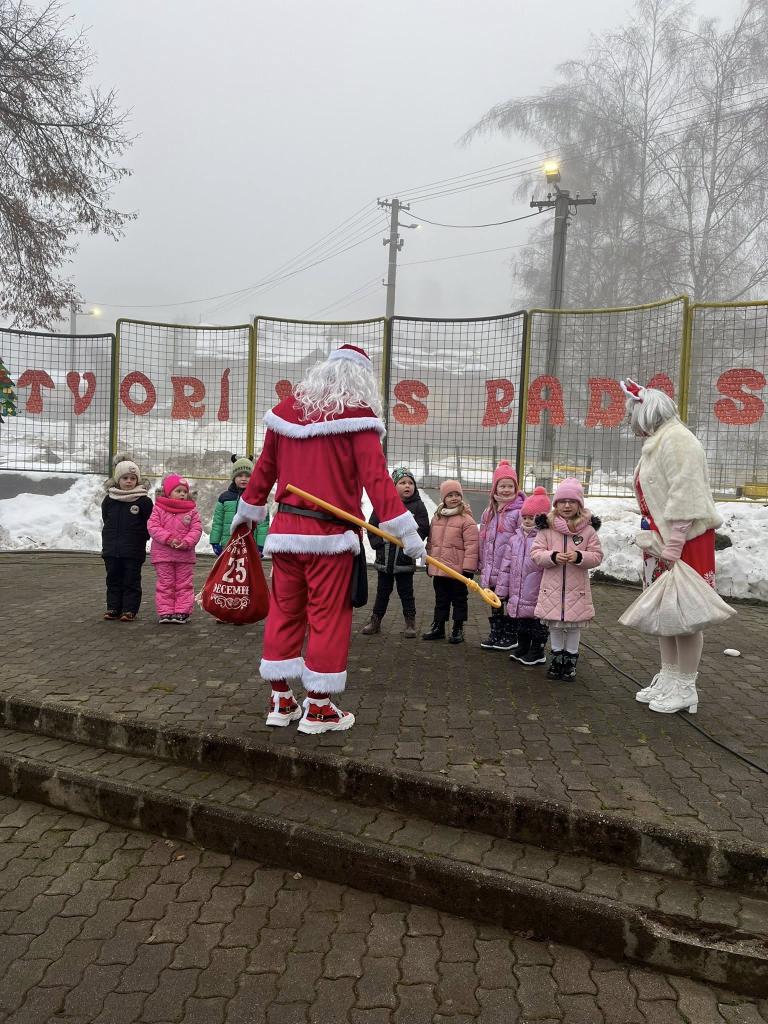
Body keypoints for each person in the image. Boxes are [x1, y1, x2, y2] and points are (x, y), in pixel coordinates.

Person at [230, 344, 426, 735]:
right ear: (361, 379)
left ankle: (281, 701)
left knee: (285, 612)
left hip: (286, 535)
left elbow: (263, 471)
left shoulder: (285, 415)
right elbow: (377, 481)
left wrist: (246, 514)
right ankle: (319, 708)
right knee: (328, 618)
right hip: (330, 539)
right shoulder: (358, 419)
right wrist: (408, 533)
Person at [621, 377, 722, 714]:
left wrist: (674, 544)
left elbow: (686, 494)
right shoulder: (660, 440)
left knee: (686, 613)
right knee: (665, 611)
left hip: (683, 541)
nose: (630, 422)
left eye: (632, 415)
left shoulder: (678, 440)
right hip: (662, 541)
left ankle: (686, 686)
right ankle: (669, 676)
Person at [531, 478, 603, 681]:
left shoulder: (588, 531)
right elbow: (536, 553)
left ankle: (570, 662)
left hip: (576, 589)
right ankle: (556, 659)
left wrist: (579, 556)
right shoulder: (547, 529)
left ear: (579, 505)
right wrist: (552, 556)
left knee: (573, 627)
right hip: (552, 590)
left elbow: (597, 556)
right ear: (556, 504)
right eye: (563, 501)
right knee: (555, 626)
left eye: (572, 501)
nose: (567, 505)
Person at [361, 466, 430, 639]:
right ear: (393, 486)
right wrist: (380, 542)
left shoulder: (418, 506)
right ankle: (376, 621)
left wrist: (411, 543)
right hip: (385, 559)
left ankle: (410, 622)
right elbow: (372, 526)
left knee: (406, 593)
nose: (407, 486)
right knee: (382, 592)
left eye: (410, 483)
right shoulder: (384, 505)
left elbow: (423, 527)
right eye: (402, 482)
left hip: (403, 560)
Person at [498, 486, 551, 666]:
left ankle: (537, 650)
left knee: (537, 623)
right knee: (521, 621)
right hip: (518, 590)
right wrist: (502, 590)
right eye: (525, 517)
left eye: (532, 517)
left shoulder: (545, 539)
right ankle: (523, 646)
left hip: (536, 591)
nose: (527, 521)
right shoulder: (515, 539)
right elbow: (506, 566)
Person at [422, 480, 479, 645]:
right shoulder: (437, 518)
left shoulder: (466, 520)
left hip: (457, 571)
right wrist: (428, 562)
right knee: (441, 598)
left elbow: (472, 546)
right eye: (450, 495)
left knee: (459, 599)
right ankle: (438, 626)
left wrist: (468, 569)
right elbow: (431, 543)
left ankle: (458, 628)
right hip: (440, 568)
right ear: (443, 498)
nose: (454, 498)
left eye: (457, 495)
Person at [478, 461, 525, 651]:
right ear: (495, 488)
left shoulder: (520, 512)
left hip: (510, 567)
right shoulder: (489, 512)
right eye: (502, 486)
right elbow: (483, 540)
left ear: (516, 488)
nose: (506, 490)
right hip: (492, 566)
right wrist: (482, 562)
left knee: (510, 600)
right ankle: (496, 632)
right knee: (494, 600)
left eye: (510, 486)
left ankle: (511, 635)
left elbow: (523, 539)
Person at [101, 455, 153, 621]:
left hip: (133, 550)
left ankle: (129, 610)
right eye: (125, 478)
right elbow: (106, 518)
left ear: (137, 480)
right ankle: (113, 608)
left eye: (133, 478)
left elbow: (149, 523)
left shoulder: (143, 501)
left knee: (131, 580)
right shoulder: (109, 499)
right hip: (111, 549)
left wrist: (141, 538)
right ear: (118, 480)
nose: (129, 481)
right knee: (113, 579)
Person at [147, 474, 203, 624]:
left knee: (184, 584)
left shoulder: (192, 510)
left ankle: (182, 611)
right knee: (165, 584)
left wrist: (186, 542)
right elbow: (153, 526)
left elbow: (196, 529)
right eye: (178, 491)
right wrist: (168, 539)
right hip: (163, 556)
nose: (182, 494)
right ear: (168, 492)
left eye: (184, 491)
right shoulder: (158, 508)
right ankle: (165, 612)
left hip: (184, 556)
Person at [210, 455, 270, 559]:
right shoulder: (225, 498)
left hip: (250, 546)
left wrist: (261, 545)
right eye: (239, 476)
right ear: (234, 478)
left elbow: (263, 524)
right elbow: (218, 522)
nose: (243, 479)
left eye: (247, 476)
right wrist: (215, 542)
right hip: (228, 545)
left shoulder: (258, 498)